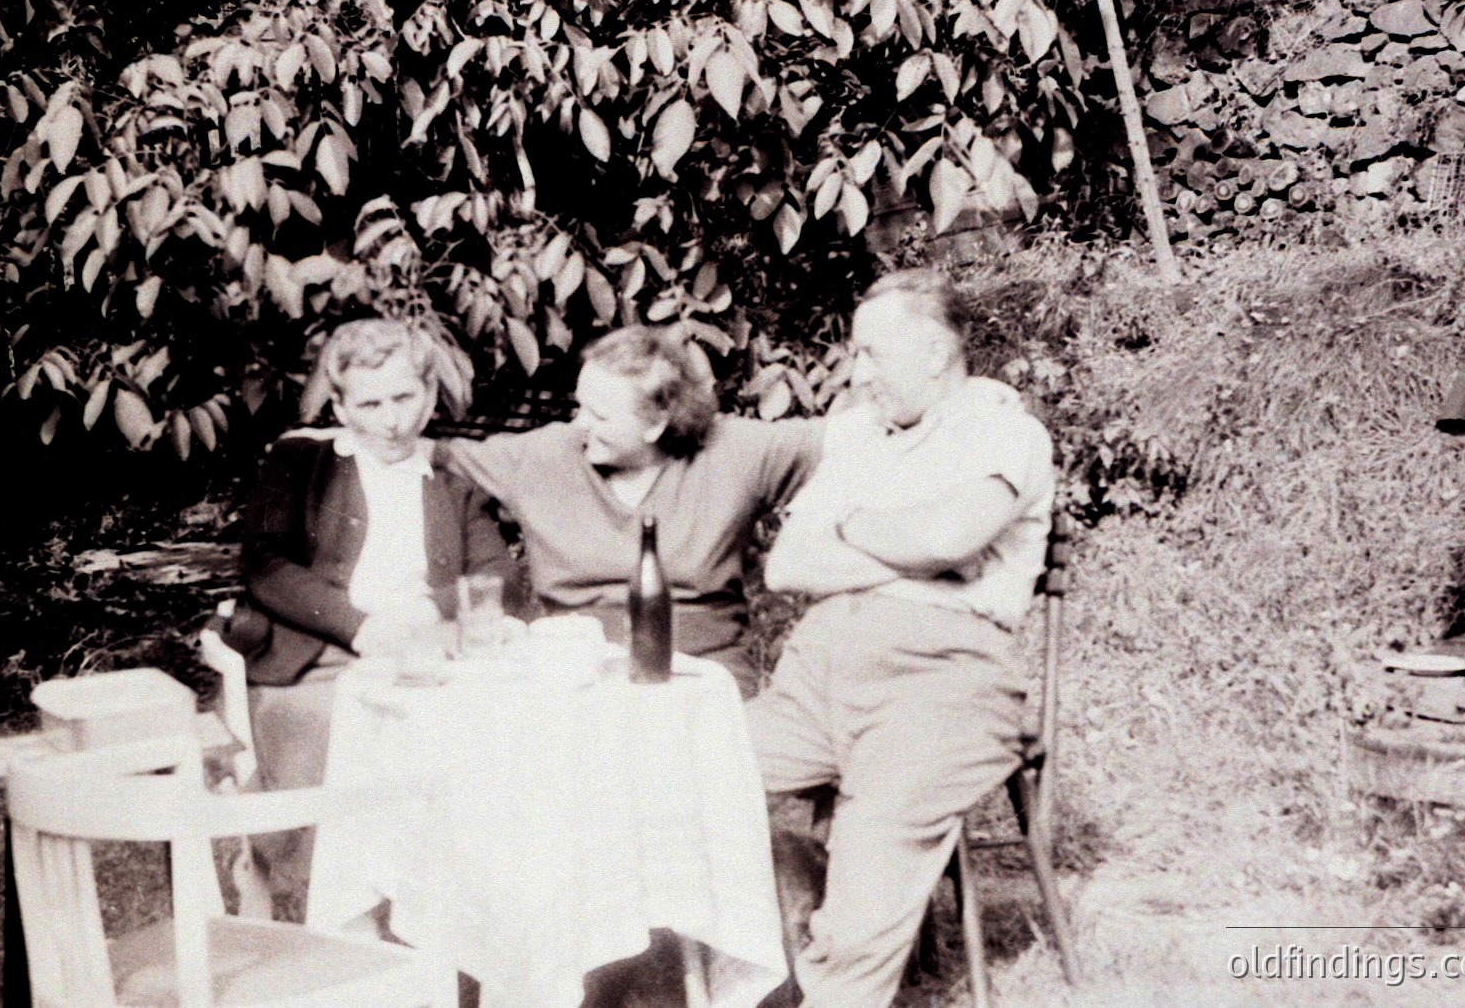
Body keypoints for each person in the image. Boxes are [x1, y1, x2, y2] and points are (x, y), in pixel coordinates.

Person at [746, 269, 1055, 1007]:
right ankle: (784, 929)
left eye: (870, 354)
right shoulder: (860, 439)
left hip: (941, 681)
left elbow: (949, 536)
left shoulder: (1005, 432)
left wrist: (850, 527)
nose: (856, 373)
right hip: (814, 676)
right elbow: (788, 563)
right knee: (679, 771)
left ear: (933, 351)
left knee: (863, 897)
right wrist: (904, 545)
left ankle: (835, 969)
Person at [223, 317, 514, 894]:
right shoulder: (300, 462)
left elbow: (496, 572)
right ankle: (339, 902)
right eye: (371, 402)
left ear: (431, 394)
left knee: (494, 732)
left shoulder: (452, 478)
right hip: (321, 654)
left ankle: (452, 897)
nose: (392, 419)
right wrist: (361, 629)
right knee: (328, 729)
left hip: (430, 655)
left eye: (405, 397)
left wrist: (428, 612)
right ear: (340, 405)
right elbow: (265, 565)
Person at [445, 325, 822, 698]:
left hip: (705, 676)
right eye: (580, 407)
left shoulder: (735, 452)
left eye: (601, 416)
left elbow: (852, 439)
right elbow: (422, 457)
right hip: (579, 676)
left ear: (658, 422)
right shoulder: (541, 456)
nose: (580, 425)